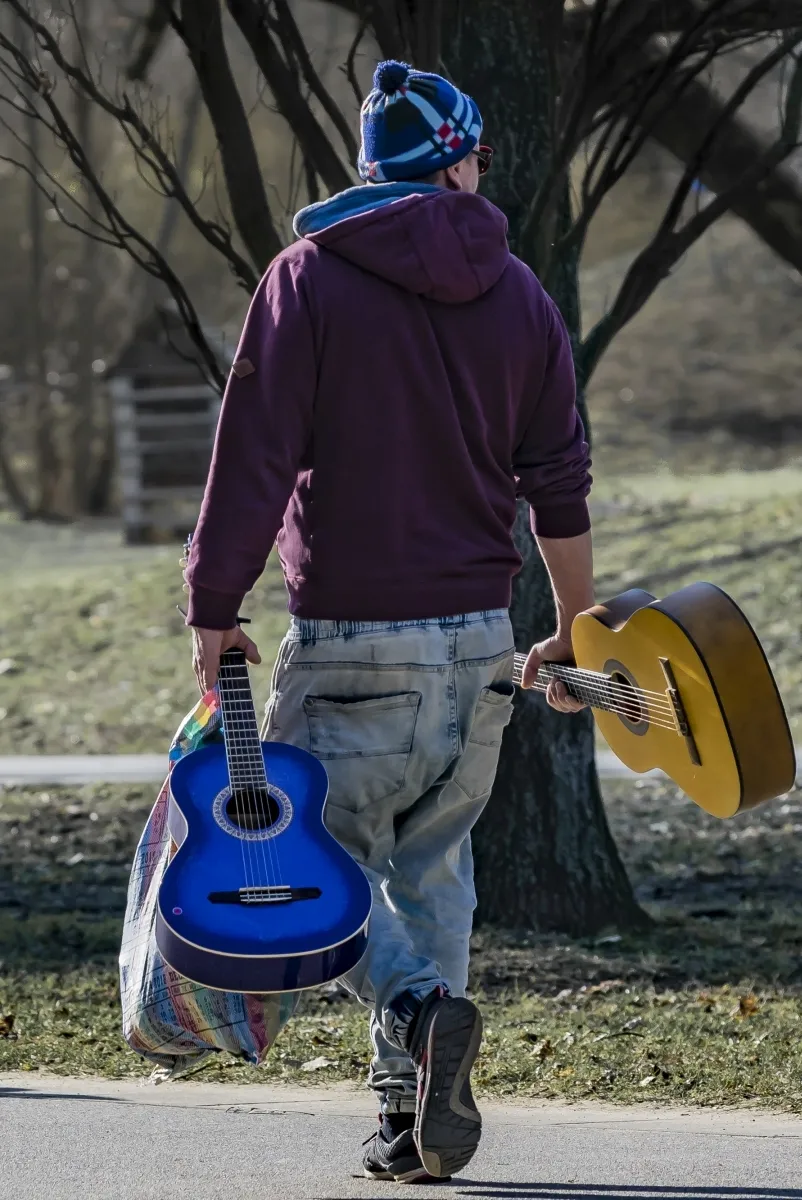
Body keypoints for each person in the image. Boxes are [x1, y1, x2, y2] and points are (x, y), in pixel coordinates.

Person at [184, 59, 592, 1184]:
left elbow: (252, 457)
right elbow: (558, 477)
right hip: (477, 643)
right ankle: (408, 1123)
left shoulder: (307, 279)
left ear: (374, 168)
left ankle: (416, 1015)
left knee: (308, 868)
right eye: (477, 155)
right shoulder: (519, 292)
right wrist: (574, 625)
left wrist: (213, 609)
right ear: (455, 159)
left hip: (352, 640)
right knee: (434, 873)